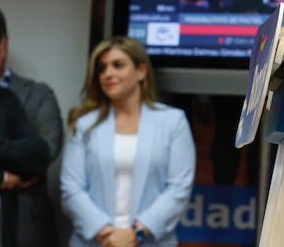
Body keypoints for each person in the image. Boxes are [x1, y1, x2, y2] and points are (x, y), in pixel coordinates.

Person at [61, 37, 195, 247]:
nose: (108, 74)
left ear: (141, 72)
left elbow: (179, 188)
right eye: (102, 68)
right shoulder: (84, 125)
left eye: (118, 65)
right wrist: (107, 235)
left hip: (150, 241)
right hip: (95, 242)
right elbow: (71, 188)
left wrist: (135, 234)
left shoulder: (173, 121)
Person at [0, 2, 63, 247]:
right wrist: (0, 173)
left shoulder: (36, 94)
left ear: (4, 43)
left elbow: (43, 152)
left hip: (25, 221)